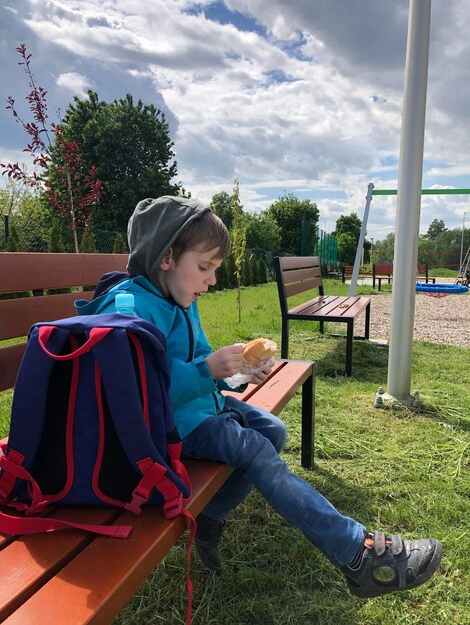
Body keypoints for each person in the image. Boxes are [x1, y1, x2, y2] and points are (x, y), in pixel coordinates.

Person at [75, 196, 442, 599]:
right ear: (166, 257)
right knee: (253, 448)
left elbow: (200, 362)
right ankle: (358, 554)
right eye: (204, 268)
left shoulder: (177, 297)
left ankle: (212, 516)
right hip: (161, 431)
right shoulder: (130, 309)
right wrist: (208, 370)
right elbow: (138, 389)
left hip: (195, 411)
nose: (211, 281)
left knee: (273, 431)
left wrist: (238, 372)